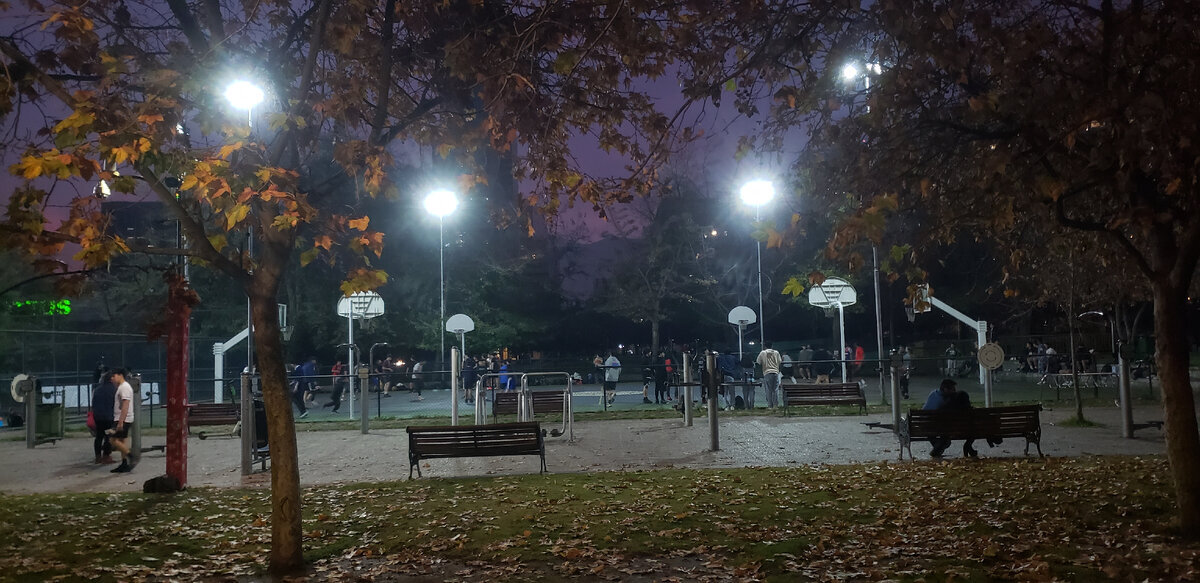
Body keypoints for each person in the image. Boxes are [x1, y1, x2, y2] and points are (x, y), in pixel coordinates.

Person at [923, 378, 978, 458]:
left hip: (928, 426)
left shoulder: (933, 394)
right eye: (953, 389)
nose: (955, 391)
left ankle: (938, 447)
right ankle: (939, 447)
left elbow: (925, 410)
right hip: (946, 428)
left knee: (942, 434)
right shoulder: (946, 400)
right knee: (946, 434)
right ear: (945, 389)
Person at [108, 368, 137, 473]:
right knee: (121, 440)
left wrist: (121, 422)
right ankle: (124, 463)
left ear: (120, 375)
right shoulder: (122, 387)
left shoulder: (124, 388)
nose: (112, 378)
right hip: (124, 418)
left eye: (114, 376)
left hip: (123, 418)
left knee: (113, 440)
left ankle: (130, 455)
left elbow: (125, 404)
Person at [91, 372, 117, 464]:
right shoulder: (114, 390)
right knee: (108, 437)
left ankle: (97, 457)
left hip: (98, 417)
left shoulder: (97, 389)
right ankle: (106, 456)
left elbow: (94, 403)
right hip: (109, 417)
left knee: (99, 436)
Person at [756, 341, 782, 409]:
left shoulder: (762, 353)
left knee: (768, 390)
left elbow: (758, 362)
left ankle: (770, 405)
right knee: (775, 390)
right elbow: (780, 361)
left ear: (765, 346)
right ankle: (776, 405)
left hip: (767, 372)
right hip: (776, 372)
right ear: (772, 346)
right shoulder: (776, 352)